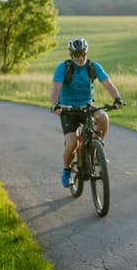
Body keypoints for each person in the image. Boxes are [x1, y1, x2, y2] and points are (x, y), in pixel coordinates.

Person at [49, 38, 125, 188]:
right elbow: (55, 89)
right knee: (72, 143)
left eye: (82, 53)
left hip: (87, 106)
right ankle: (66, 170)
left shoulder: (93, 66)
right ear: (70, 54)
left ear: (86, 52)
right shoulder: (63, 68)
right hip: (67, 109)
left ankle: (98, 150)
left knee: (103, 117)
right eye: (76, 54)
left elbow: (107, 83)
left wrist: (117, 98)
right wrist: (55, 105)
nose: (79, 57)